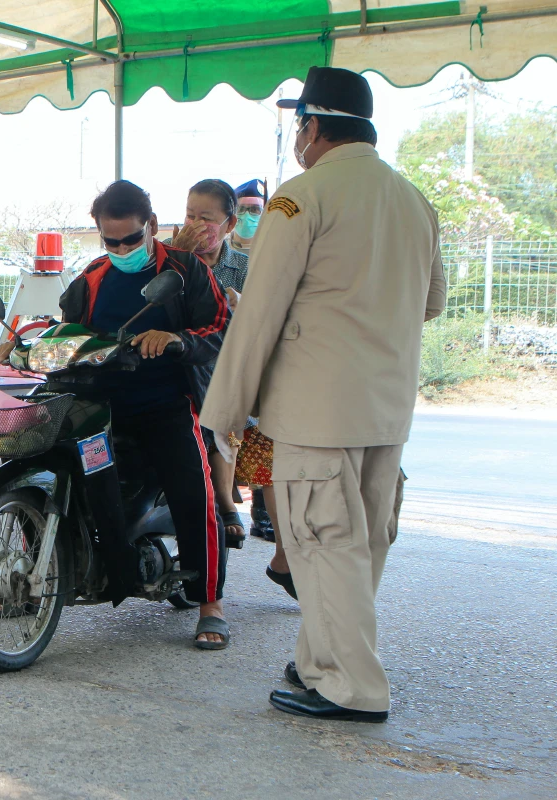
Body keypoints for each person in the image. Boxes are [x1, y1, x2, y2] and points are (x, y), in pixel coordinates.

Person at [200, 67, 447, 721]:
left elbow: (259, 313)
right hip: (386, 409)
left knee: (322, 544)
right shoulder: (414, 200)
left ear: (312, 127)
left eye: (298, 126)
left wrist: (225, 412)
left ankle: (351, 687)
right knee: (357, 546)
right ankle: (319, 661)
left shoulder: (300, 198)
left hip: (317, 410)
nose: (297, 139)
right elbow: (432, 302)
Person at [60, 180, 231, 649]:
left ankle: (210, 603)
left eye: (131, 239)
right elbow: (68, 329)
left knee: (194, 495)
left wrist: (178, 340)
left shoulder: (186, 270)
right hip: (100, 409)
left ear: (152, 225)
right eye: (110, 241)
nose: (121, 250)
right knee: (58, 470)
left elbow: (220, 328)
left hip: (166, 405)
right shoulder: (91, 278)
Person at [167, 179, 249, 547]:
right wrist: (177, 257)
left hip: (226, 364)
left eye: (207, 218)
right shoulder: (168, 254)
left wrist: (240, 303)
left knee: (224, 399)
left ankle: (226, 501)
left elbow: (265, 317)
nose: (197, 225)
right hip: (180, 358)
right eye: (190, 216)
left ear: (230, 224)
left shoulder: (244, 267)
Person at [229, 179, 267, 254]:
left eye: (255, 209)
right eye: (241, 209)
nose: (246, 215)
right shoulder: (219, 248)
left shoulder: (272, 248)